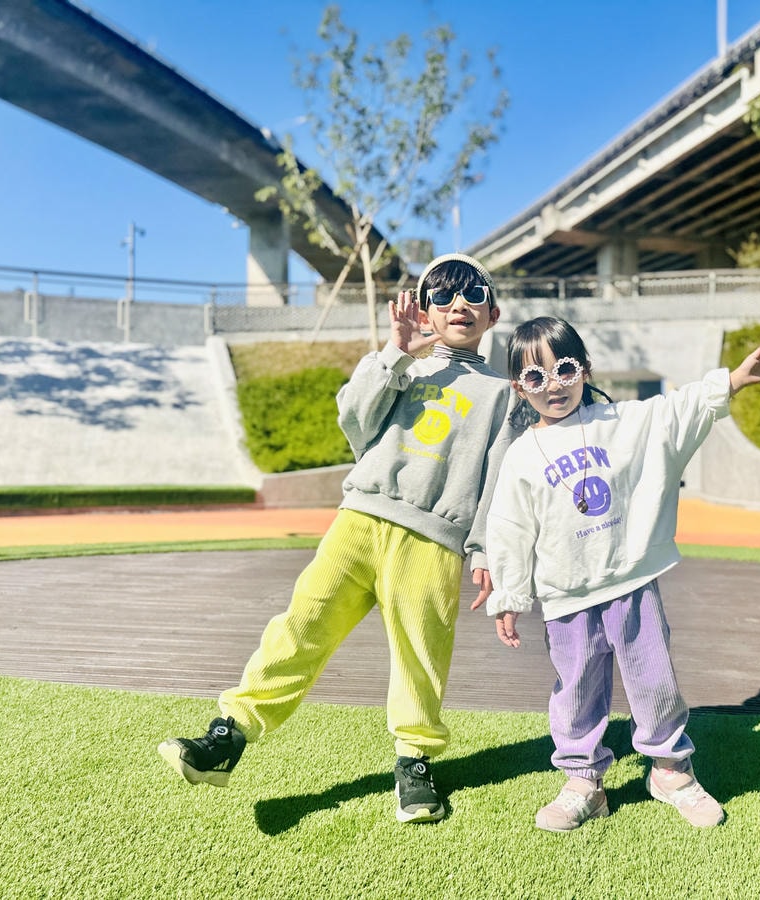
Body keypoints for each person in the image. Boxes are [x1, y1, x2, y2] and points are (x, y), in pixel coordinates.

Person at [159, 253, 515, 824]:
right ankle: (230, 734)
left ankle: (415, 762)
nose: (458, 305)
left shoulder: (503, 394)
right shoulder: (404, 365)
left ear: (493, 313)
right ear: (425, 308)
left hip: (432, 538)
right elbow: (353, 418)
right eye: (443, 294)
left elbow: (497, 477)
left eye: (473, 294)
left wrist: (485, 550)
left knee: (421, 652)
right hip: (359, 520)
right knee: (302, 623)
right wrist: (395, 352)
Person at [479, 316, 760, 832]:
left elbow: (677, 410)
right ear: (519, 386)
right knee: (576, 688)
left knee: (654, 679)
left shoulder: (619, 420)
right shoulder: (521, 456)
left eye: (564, 368)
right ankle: (583, 781)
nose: (553, 385)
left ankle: (670, 771)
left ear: (585, 369)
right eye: (536, 377)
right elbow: (509, 526)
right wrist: (508, 595)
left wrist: (733, 380)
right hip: (566, 594)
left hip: (630, 585)